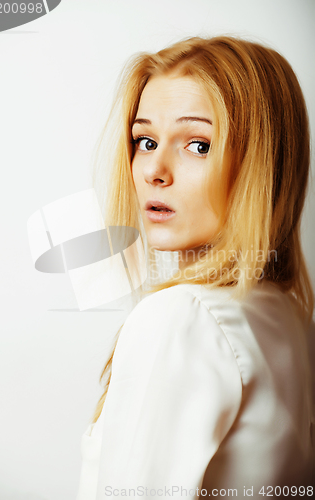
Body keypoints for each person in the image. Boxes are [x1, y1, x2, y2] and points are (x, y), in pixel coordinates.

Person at [75, 36, 315, 499]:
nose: (153, 171)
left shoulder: (181, 317)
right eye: (145, 141)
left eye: (198, 145)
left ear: (261, 165)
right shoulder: (293, 320)